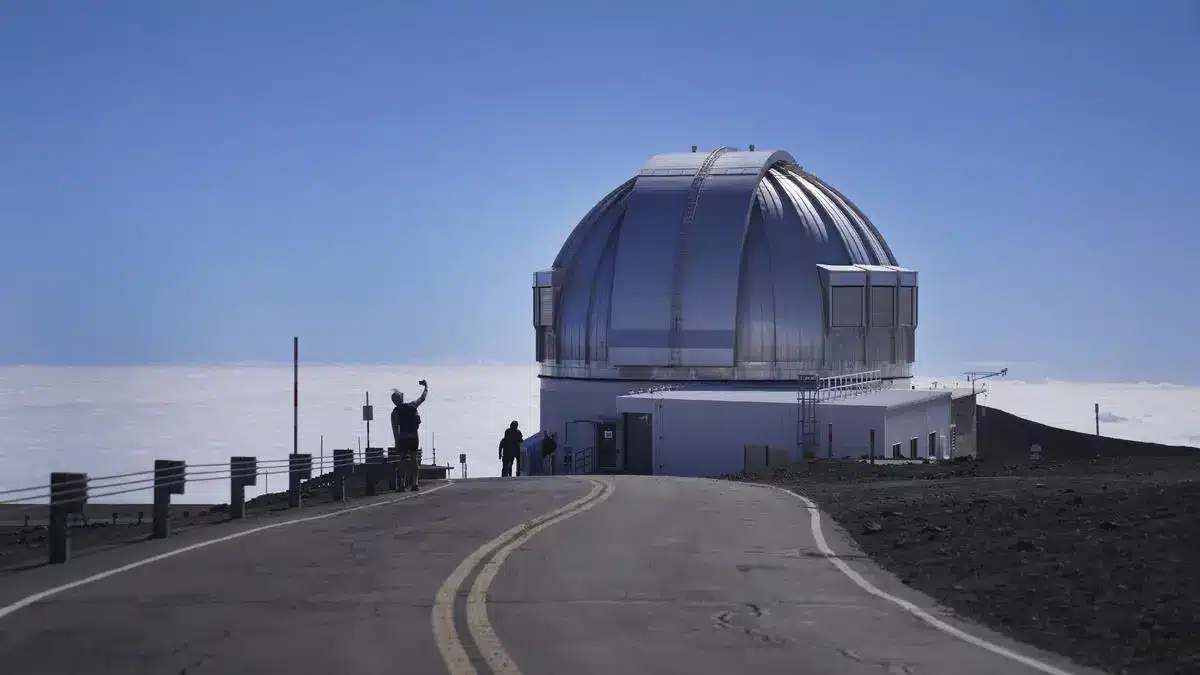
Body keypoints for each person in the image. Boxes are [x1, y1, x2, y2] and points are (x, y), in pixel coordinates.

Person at [391, 379, 428, 491]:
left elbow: (395, 429)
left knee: (402, 462)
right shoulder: (412, 405)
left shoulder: (395, 412)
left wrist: (396, 442)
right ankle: (415, 483)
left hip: (403, 438)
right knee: (413, 460)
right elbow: (422, 398)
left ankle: (402, 485)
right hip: (413, 437)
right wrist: (426, 387)